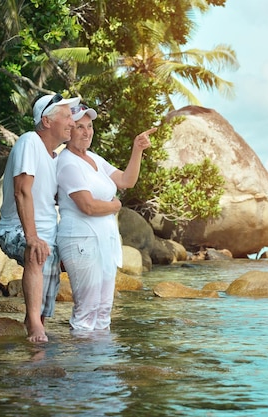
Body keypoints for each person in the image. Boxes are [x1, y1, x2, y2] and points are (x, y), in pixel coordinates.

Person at [56, 103, 156, 332]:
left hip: (103, 241)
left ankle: (101, 365)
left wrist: (137, 149)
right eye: (79, 127)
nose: (86, 132)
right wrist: (116, 205)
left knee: (103, 310)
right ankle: (82, 366)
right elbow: (87, 206)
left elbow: (126, 181)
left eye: (89, 126)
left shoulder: (94, 158)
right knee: (87, 309)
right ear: (68, 130)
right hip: (81, 240)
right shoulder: (67, 162)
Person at [0, 93, 80, 343]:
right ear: (46, 121)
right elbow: (22, 190)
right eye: (66, 116)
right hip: (15, 229)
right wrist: (31, 237)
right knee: (37, 250)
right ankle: (33, 325)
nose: (72, 122)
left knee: (54, 255)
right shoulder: (29, 141)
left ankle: (34, 341)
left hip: (49, 235)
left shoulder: (57, 157)